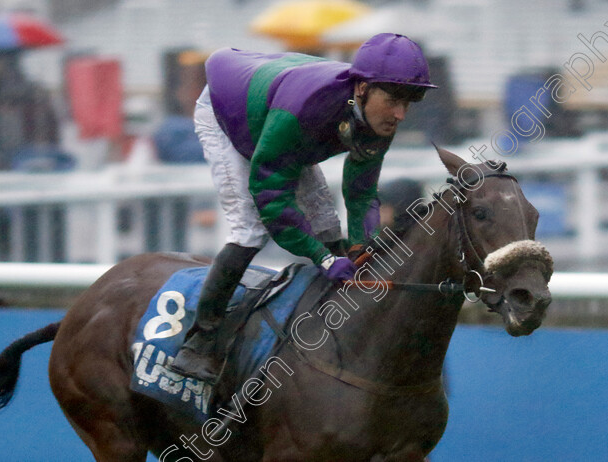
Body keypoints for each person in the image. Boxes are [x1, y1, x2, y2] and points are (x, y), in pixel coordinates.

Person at [170, 33, 437, 382]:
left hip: (288, 107)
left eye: (409, 102)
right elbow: (271, 198)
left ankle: (333, 306)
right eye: (394, 101)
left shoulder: (377, 112)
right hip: (231, 112)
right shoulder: (303, 111)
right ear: (361, 89)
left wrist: (360, 250)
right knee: (250, 230)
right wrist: (324, 258)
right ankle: (199, 343)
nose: (401, 114)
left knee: (326, 219)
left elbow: (360, 193)